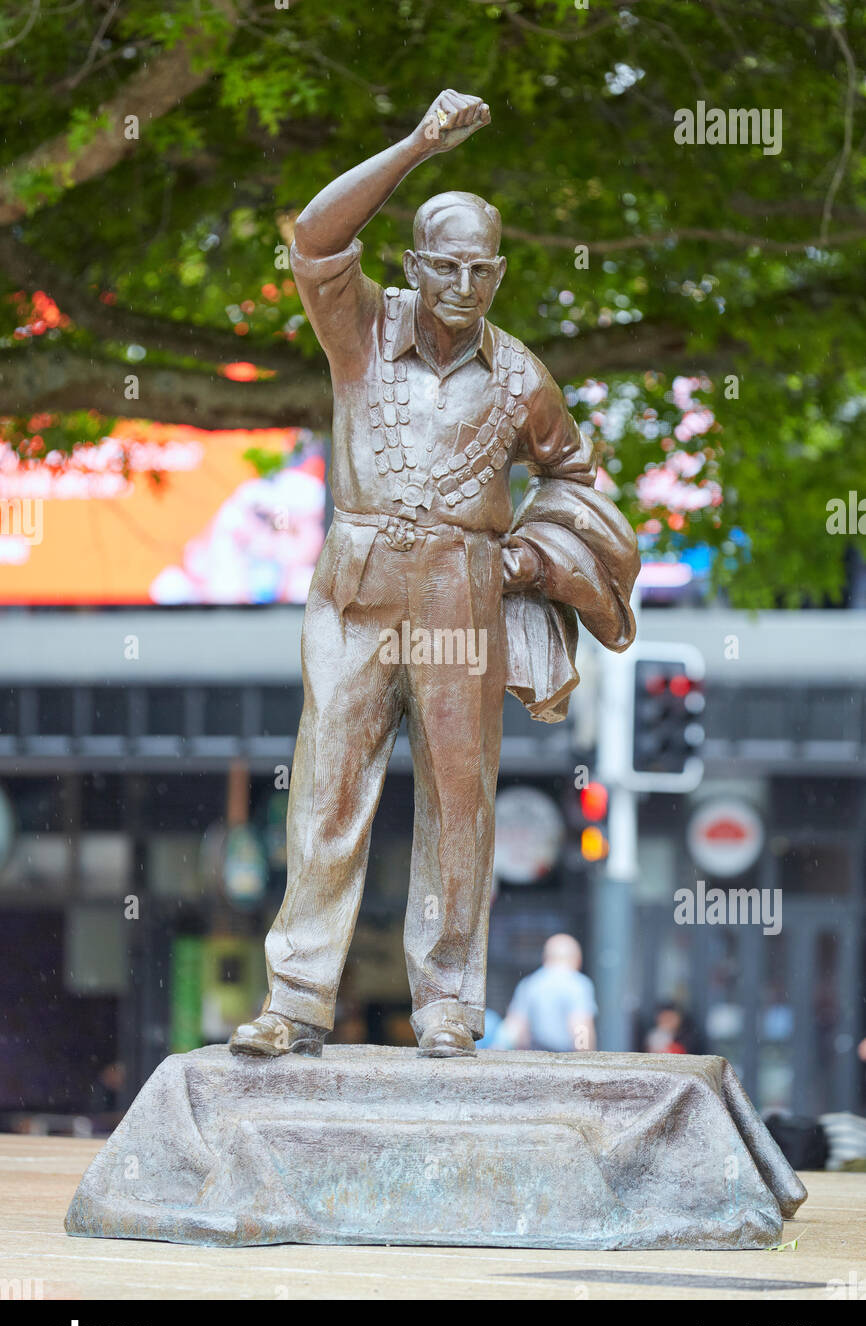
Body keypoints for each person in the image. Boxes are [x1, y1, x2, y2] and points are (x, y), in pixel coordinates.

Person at [230, 90, 638, 1062]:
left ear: (497, 271)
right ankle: (294, 1000)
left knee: (460, 796)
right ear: (413, 266)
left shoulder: (520, 374)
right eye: (442, 264)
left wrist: (530, 557)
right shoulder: (361, 329)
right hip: (358, 584)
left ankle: (449, 1002)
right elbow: (316, 238)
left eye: (478, 268)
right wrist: (417, 144)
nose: (460, 283)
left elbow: (575, 475)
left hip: (462, 587)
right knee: (326, 784)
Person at [500, 935, 597, 1052]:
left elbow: (513, 1029)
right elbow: (581, 1028)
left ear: (545, 958)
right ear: (577, 959)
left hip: (535, 1060)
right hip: (565, 1061)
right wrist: (585, 1060)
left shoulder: (530, 984)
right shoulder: (578, 984)